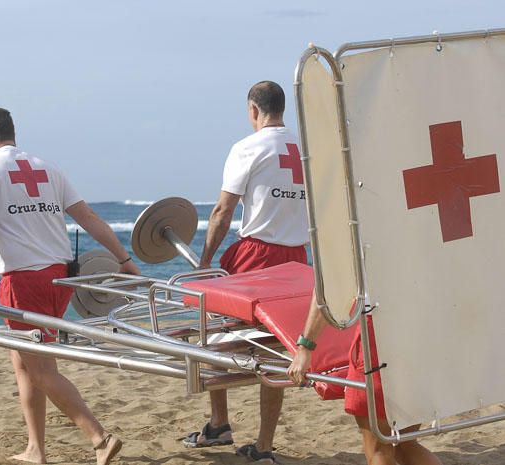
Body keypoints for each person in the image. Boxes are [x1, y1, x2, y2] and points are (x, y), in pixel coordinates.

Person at [0, 107, 139, 465]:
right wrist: (123, 258)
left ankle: (99, 437)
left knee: (40, 369)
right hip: (59, 277)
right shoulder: (46, 167)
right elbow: (88, 217)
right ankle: (36, 448)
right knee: (23, 363)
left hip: (24, 280)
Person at [183, 81, 309, 463]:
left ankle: (220, 422)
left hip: (256, 255)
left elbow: (223, 211)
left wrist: (205, 262)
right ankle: (265, 444)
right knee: (274, 351)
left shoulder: (248, 147)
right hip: (297, 259)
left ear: (254, 110)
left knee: (211, 334)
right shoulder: (305, 148)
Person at [287, 293, 443, 465]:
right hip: (424, 330)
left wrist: (305, 347)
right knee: (405, 442)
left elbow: (327, 293)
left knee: (379, 447)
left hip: (379, 330)